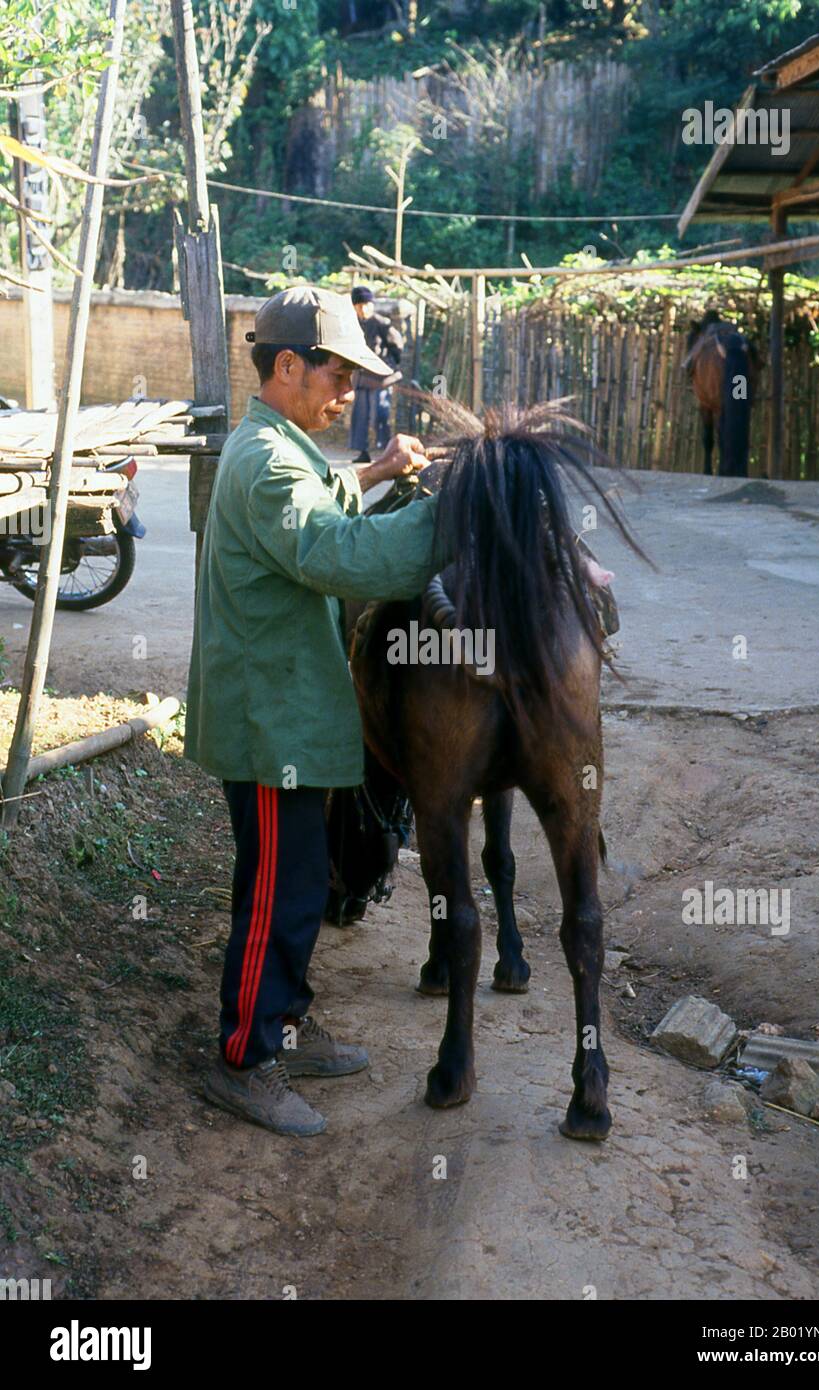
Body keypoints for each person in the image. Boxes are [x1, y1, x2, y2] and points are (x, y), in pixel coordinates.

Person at [185, 285, 446, 1138]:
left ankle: (284, 1024)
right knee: (277, 891)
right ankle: (244, 1058)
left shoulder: (277, 446)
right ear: (287, 365)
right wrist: (453, 515)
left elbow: (319, 505)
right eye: (340, 374)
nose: (350, 394)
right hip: (270, 719)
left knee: (296, 881)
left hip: (287, 710)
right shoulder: (265, 462)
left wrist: (371, 475)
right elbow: (329, 549)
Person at [348, 286, 404, 463]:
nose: (363, 309)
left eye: (366, 305)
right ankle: (362, 452)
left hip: (380, 379)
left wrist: (390, 367)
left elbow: (397, 347)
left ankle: (385, 453)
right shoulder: (352, 324)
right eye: (359, 305)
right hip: (361, 378)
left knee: (381, 414)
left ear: (371, 305)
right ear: (355, 307)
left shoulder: (382, 323)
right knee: (360, 416)